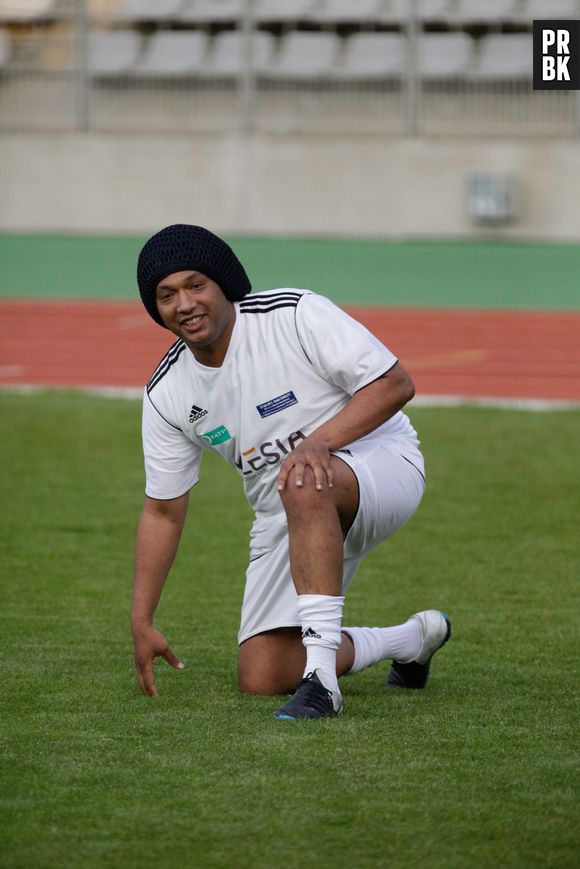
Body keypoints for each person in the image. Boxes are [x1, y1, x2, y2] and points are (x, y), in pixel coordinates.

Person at [131, 223, 451, 721]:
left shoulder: (293, 313)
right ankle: (410, 640)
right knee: (262, 675)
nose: (185, 303)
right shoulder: (167, 393)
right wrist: (142, 617)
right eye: (166, 295)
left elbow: (394, 384)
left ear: (223, 284)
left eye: (196, 285)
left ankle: (322, 683)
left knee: (302, 477)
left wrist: (318, 442)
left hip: (381, 465)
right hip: (287, 511)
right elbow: (164, 512)